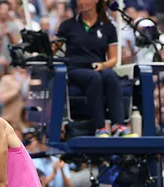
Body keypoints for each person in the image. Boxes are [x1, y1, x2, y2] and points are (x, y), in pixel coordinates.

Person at [56, 0, 130, 138]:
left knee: (110, 75)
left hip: (98, 66)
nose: (80, 2)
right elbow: (54, 49)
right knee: (94, 78)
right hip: (75, 69)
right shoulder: (68, 25)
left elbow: (113, 59)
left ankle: (118, 125)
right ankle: (99, 127)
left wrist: (103, 65)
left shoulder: (108, 27)